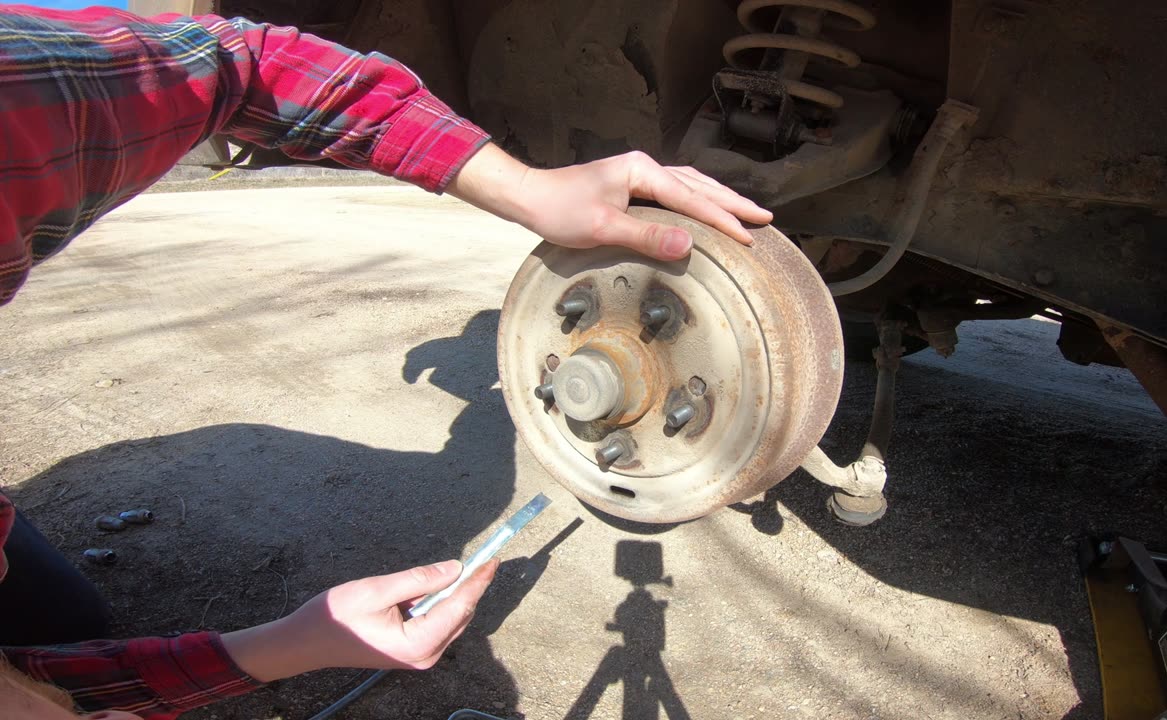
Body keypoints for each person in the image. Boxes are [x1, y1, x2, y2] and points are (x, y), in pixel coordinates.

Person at [0, 3, 771, 718]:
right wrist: (288, 647)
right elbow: (71, 685)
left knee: (60, 623)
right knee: (70, 630)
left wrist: (524, 187)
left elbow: (252, 67)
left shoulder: (19, 113)